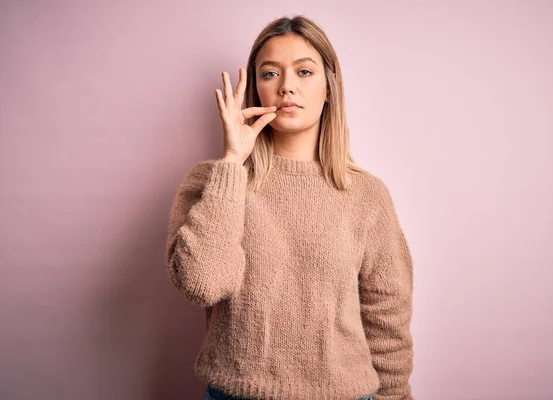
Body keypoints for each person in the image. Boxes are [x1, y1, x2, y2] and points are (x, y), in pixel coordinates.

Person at [164, 15, 415, 400]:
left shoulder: (367, 196)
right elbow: (203, 283)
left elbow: (387, 321)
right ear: (256, 90)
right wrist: (232, 161)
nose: (286, 87)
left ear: (329, 88)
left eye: (304, 71)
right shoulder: (212, 181)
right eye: (269, 74)